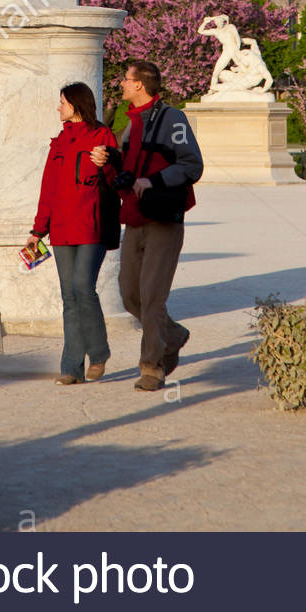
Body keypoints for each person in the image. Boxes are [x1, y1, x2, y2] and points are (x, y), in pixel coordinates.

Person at [91, 59, 203, 392]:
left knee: (152, 296)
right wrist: (111, 162)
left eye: (125, 80)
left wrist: (154, 180)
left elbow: (192, 164)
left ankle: (151, 366)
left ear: (140, 84)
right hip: (134, 216)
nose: (121, 84)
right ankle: (174, 335)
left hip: (164, 219)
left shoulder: (173, 119)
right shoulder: (131, 123)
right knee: (128, 294)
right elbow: (127, 172)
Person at [28, 83, 120, 385]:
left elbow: (116, 180)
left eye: (63, 102)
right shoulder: (59, 143)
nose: (58, 107)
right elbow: (48, 190)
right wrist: (37, 230)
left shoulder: (102, 136)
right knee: (69, 297)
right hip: (61, 230)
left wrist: (105, 164)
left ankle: (99, 352)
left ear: (77, 105)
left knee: (83, 287)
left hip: (91, 227)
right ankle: (71, 368)